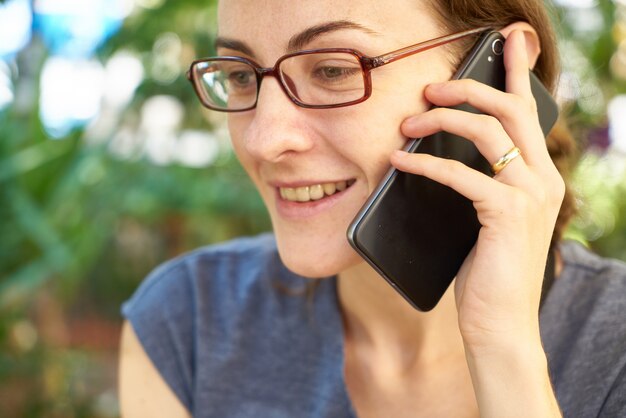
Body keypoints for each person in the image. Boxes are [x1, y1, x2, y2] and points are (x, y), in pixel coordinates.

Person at [118, 0, 626, 417]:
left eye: (334, 69)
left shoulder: (614, 344)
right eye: (241, 77)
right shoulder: (187, 325)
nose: (264, 139)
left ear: (502, 72)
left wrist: (504, 349)